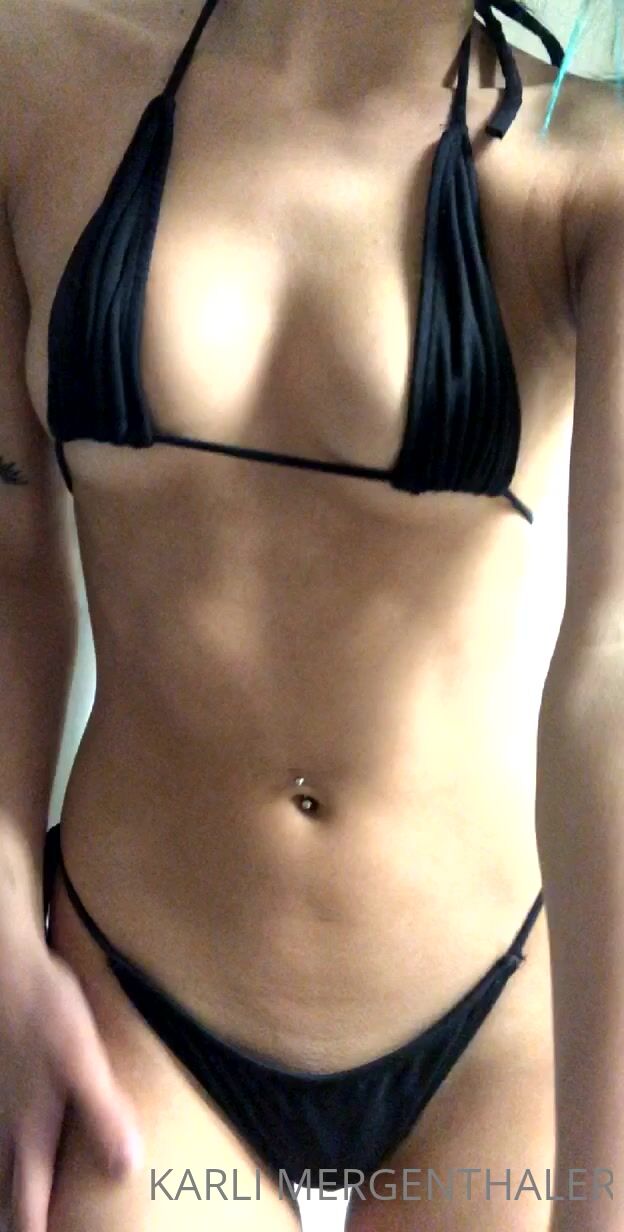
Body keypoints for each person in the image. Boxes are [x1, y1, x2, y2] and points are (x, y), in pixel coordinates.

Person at [1, 0, 623, 1229]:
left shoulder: (586, 166)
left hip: (498, 1021)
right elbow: (10, 550)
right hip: (133, 992)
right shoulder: (34, 75)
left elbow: (611, 664)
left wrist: (607, 1183)